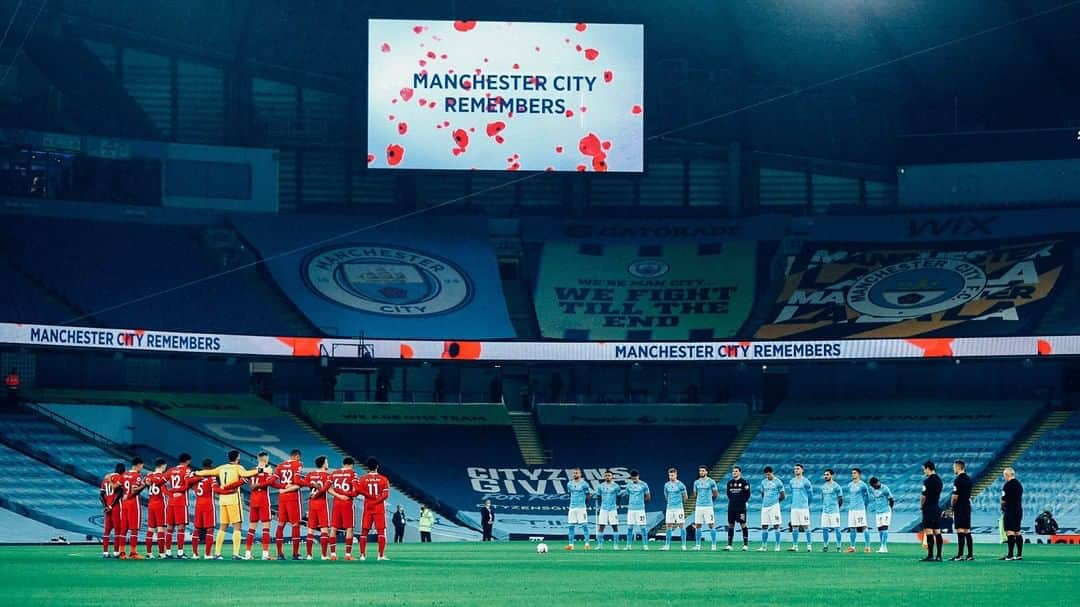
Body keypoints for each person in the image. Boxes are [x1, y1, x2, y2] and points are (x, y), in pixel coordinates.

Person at [194, 450, 258, 560]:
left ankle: (217, 553)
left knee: (223, 527)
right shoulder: (238, 467)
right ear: (237, 457)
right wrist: (259, 470)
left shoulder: (221, 467)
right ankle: (236, 554)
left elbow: (207, 472)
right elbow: (246, 474)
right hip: (233, 498)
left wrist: (196, 473)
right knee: (237, 526)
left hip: (223, 500)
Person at [353, 457, 391, 560]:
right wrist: (376, 501)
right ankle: (380, 555)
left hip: (368, 507)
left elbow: (356, 493)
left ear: (367, 468)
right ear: (377, 466)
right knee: (381, 532)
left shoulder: (363, 479)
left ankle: (362, 555)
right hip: (378, 508)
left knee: (364, 531)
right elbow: (385, 495)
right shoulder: (383, 479)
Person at [244, 452, 278, 560]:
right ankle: (265, 554)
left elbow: (244, 480)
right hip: (263, 501)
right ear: (265, 459)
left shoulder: (252, 471)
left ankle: (248, 554)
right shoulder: (268, 471)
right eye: (267, 458)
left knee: (251, 529)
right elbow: (272, 483)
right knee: (266, 529)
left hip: (253, 501)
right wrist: (284, 487)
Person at [273, 449, 304, 560]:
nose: (300, 459)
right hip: (293, 498)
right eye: (299, 457)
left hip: (282, 498)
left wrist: (282, 488)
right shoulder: (298, 464)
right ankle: (295, 554)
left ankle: (279, 554)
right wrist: (287, 488)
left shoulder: (280, 465)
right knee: (295, 525)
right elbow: (298, 482)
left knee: (281, 524)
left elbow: (273, 482)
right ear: (296, 456)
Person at [300, 455, 332, 560]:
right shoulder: (327, 476)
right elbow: (325, 489)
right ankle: (324, 555)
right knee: (324, 530)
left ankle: (309, 555)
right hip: (321, 503)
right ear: (323, 464)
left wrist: (312, 489)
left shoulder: (310, 475)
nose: (327, 464)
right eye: (326, 462)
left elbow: (304, 483)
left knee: (310, 530)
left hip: (312, 504)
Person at [327, 457, 359, 561]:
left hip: (337, 502)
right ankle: (348, 555)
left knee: (334, 528)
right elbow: (355, 491)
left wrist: (338, 495)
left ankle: (333, 554)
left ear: (343, 463)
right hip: (347, 503)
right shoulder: (352, 474)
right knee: (349, 528)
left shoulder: (334, 473)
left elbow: (328, 489)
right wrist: (346, 494)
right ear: (351, 465)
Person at [163, 453, 194, 558]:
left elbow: (160, 483)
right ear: (188, 461)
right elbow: (187, 485)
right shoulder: (187, 470)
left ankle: (168, 552)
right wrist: (176, 491)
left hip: (171, 501)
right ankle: (180, 553)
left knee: (169, 528)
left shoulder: (171, 470)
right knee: (181, 528)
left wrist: (169, 493)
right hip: (181, 501)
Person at [118, 457, 146, 559]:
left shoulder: (124, 475)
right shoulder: (137, 476)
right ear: (138, 465)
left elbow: (115, 487)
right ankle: (133, 553)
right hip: (133, 504)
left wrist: (124, 494)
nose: (142, 468)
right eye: (142, 466)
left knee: (123, 529)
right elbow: (134, 491)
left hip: (124, 503)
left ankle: (122, 553)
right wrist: (144, 485)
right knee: (134, 529)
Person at [143, 459, 169, 559]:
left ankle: (149, 553)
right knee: (161, 528)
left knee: (150, 529)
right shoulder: (162, 477)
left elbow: (146, 484)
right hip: (160, 504)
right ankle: (162, 553)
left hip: (151, 503)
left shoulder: (149, 475)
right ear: (163, 465)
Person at [949, 459, 974, 561]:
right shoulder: (968, 479)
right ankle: (970, 554)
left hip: (959, 506)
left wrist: (952, 506)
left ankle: (960, 555)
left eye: (954, 467)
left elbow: (955, 496)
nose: (953, 469)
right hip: (967, 506)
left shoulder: (958, 480)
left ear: (958, 467)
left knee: (960, 530)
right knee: (967, 530)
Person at [920, 460, 944, 562]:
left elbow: (923, 496)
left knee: (929, 531)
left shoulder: (927, 481)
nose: (924, 472)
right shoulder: (939, 480)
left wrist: (921, 506)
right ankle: (939, 556)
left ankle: (930, 555)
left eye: (924, 469)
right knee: (937, 532)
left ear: (928, 468)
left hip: (928, 508)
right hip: (936, 508)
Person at [690, 465, 719, 551]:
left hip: (708, 507)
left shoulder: (711, 482)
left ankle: (714, 545)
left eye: (703, 471)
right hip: (699, 506)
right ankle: (698, 545)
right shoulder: (696, 482)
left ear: (706, 472)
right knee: (698, 525)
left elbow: (715, 494)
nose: (701, 472)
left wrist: (709, 501)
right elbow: (695, 494)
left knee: (711, 525)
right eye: (700, 471)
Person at [758, 466, 785, 552]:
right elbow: (762, 494)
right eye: (766, 475)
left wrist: (776, 502)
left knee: (776, 525)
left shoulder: (778, 482)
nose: (767, 476)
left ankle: (777, 545)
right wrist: (766, 501)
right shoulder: (763, 482)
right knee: (764, 525)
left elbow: (783, 495)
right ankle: (764, 546)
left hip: (774, 506)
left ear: (772, 473)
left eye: (769, 474)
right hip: (765, 506)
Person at [100, 463, 124, 558]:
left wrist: (106, 506)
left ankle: (105, 552)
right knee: (117, 530)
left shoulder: (105, 479)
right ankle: (116, 552)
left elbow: (101, 495)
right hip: (116, 507)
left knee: (107, 530)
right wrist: (111, 506)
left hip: (107, 507)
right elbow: (119, 494)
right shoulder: (120, 478)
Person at [622, 469, 650, 550]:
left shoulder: (644, 485)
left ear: (638, 476)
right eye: (632, 478)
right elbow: (627, 495)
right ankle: (628, 545)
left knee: (643, 528)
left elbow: (648, 497)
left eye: (635, 478)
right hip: (631, 509)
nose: (634, 479)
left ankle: (645, 545)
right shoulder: (628, 485)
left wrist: (641, 503)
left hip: (640, 509)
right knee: (630, 527)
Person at [845, 468, 872, 554]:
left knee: (864, 527)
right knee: (852, 528)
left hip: (860, 509)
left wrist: (865, 506)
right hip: (851, 509)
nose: (853, 474)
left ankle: (867, 547)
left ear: (859, 474)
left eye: (855, 473)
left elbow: (867, 497)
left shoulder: (863, 485)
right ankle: (852, 547)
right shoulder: (849, 485)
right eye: (852, 473)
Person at [564, 467, 592, 550]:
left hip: (581, 508)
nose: (575, 474)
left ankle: (587, 544)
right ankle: (571, 545)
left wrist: (585, 505)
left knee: (584, 526)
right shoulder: (569, 484)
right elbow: (571, 494)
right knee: (571, 526)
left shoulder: (584, 484)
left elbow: (588, 495)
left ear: (580, 474)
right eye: (574, 473)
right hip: (572, 507)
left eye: (577, 473)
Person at [1001, 467, 1024, 561]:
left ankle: (1010, 555)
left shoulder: (1007, 486)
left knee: (1009, 531)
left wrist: (1002, 508)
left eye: (1004, 476)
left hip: (1010, 510)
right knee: (1017, 531)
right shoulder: (1019, 485)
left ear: (1007, 475)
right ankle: (1019, 554)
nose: (1004, 478)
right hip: (1019, 510)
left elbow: (1003, 500)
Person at [788, 464, 813, 552]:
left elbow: (810, 495)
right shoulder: (791, 481)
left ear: (802, 470)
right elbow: (792, 493)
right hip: (794, 507)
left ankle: (809, 545)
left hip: (803, 507)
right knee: (794, 526)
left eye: (798, 469)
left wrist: (807, 504)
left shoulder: (806, 482)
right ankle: (795, 546)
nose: (796, 470)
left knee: (806, 526)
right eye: (795, 469)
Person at [725, 466, 751, 551]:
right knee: (730, 525)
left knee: (743, 524)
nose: (734, 473)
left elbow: (747, 494)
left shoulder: (744, 482)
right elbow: (728, 494)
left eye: (736, 471)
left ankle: (745, 545)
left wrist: (742, 502)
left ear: (740, 472)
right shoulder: (729, 483)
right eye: (733, 472)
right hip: (731, 507)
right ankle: (729, 545)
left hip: (741, 507)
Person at [662, 467, 688, 551]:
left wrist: (679, 504)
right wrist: (670, 503)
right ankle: (667, 545)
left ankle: (683, 545)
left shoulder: (680, 485)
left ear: (676, 475)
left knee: (681, 525)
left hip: (678, 508)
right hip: (669, 508)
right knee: (668, 526)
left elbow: (685, 497)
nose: (671, 477)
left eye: (672, 475)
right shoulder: (666, 485)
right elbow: (666, 495)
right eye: (670, 475)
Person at [594, 470, 621, 550]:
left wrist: (617, 505)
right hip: (603, 509)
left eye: (609, 475)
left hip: (612, 509)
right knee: (601, 526)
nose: (607, 477)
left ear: (612, 476)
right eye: (606, 475)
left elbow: (619, 496)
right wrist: (599, 506)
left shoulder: (616, 486)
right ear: (604, 477)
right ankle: (599, 545)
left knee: (615, 526)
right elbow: (598, 497)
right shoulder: (600, 486)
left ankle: (616, 545)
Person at [868, 477, 894, 553]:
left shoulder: (885, 488)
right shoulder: (873, 488)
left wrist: (891, 508)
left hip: (885, 511)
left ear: (878, 482)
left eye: (875, 485)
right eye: (873, 486)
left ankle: (883, 546)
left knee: (885, 527)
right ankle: (883, 546)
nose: (874, 487)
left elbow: (891, 499)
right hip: (878, 511)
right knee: (880, 529)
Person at [820, 468, 843, 552]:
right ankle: (825, 545)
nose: (825, 476)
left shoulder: (836, 486)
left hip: (834, 511)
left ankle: (839, 546)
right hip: (825, 511)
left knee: (837, 529)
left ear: (832, 475)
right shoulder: (823, 486)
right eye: (825, 475)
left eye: (827, 474)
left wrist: (837, 507)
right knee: (825, 529)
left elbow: (840, 498)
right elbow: (823, 498)